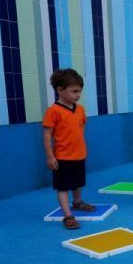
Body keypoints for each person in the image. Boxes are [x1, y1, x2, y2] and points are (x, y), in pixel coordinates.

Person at [42, 68, 95, 230]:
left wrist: (80, 146)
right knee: (63, 186)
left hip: (79, 155)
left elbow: (81, 127)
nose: (78, 95)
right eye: (74, 91)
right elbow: (47, 135)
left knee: (78, 182)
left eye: (79, 91)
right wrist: (50, 156)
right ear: (60, 90)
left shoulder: (80, 110)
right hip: (62, 157)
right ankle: (68, 216)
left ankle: (77, 203)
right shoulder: (53, 111)